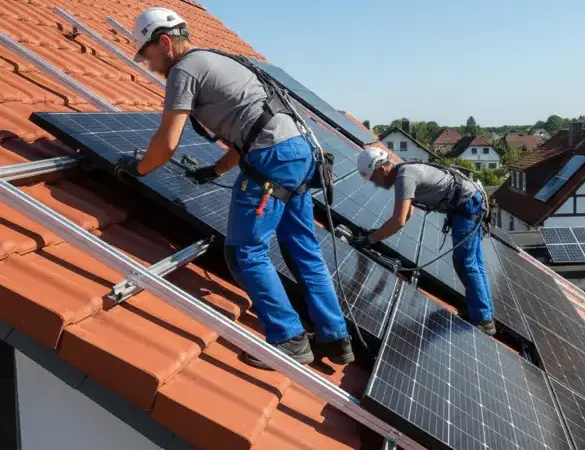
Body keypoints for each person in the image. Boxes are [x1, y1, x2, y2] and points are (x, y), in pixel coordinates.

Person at [113, 7, 354, 366]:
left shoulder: (184, 70)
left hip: (272, 158)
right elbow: (251, 130)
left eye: (147, 55)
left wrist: (138, 168)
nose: (148, 65)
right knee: (303, 250)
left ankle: (290, 338)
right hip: (300, 153)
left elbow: (167, 143)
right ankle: (336, 339)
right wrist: (213, 171)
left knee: (245, 251)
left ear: (164, 42)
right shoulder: (218, 61)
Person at [354, 148, 496, 335]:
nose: (376, 185)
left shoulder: (404, 177)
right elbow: (407, 213)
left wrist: (370, 239)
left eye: (373, 179)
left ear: (381, 169)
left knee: (466, 262)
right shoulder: (404, 173)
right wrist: (377, 233)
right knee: (474, 263)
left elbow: (399, 221)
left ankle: (483, 319)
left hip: (467, 206)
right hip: (470, 202)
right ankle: (483, 313)